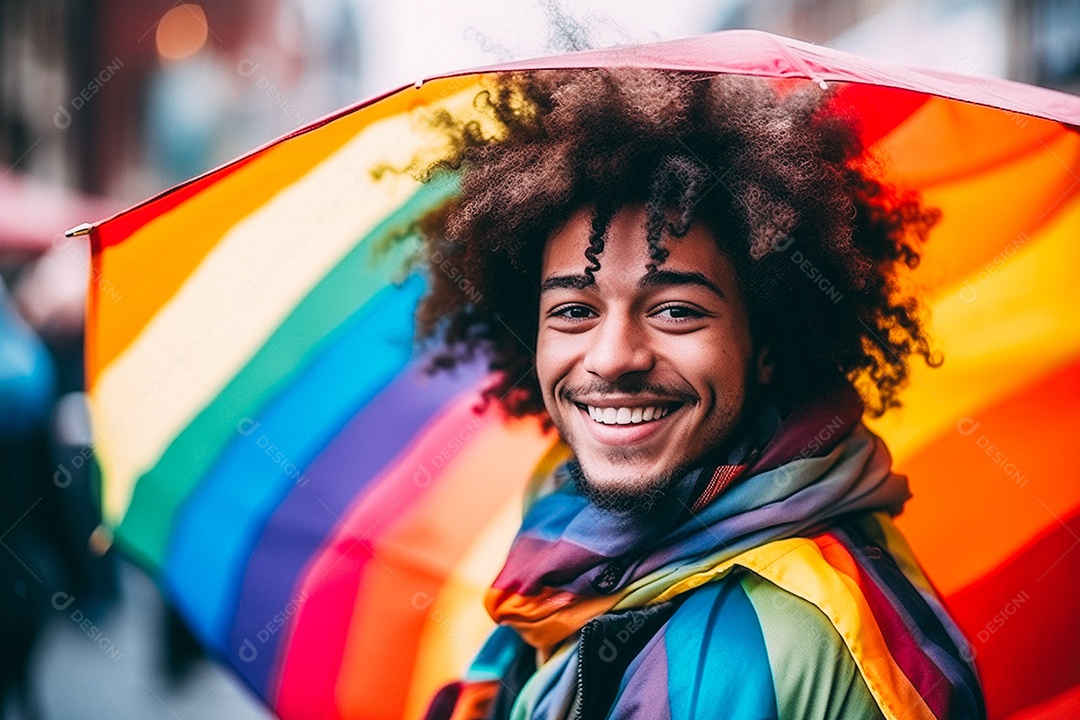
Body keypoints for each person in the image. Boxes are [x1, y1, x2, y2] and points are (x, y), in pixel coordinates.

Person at [414, 68, 984, 720]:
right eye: (573, 311)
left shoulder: (777, 639)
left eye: (676, 311)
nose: (612, 358)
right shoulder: (561, 539)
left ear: (766, 345)